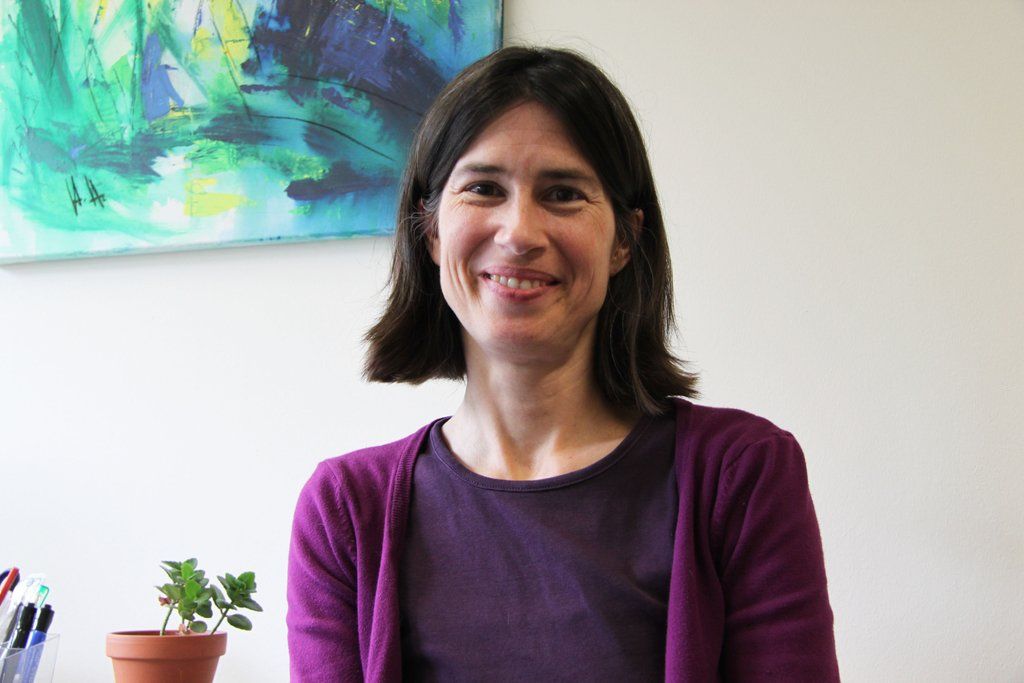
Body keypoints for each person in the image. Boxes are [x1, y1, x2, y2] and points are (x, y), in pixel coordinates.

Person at [287, 46, 840, 682]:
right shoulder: (345, 510)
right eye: (484, 189)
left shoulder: (741, 473)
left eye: (563, 194)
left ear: (624, 240)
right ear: (431, 229)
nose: (519, 232)